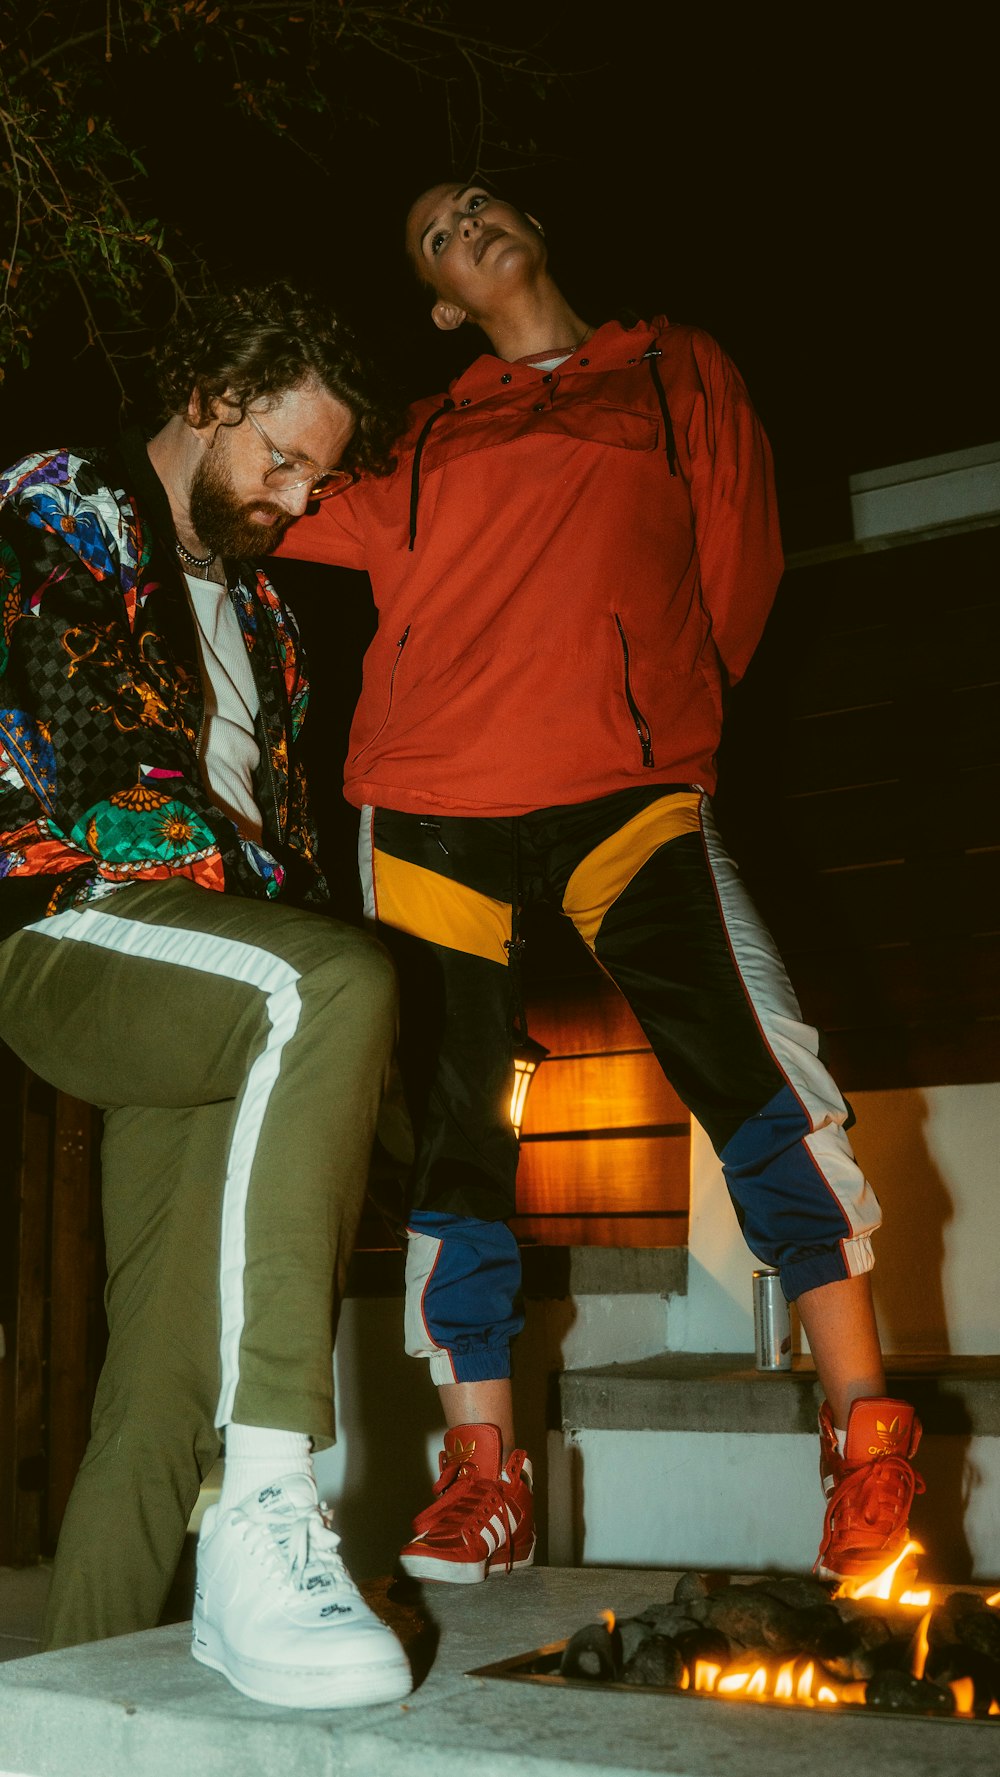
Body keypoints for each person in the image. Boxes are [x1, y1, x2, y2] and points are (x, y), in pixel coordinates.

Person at [277, 180, 924, 1588]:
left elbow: (732, 574)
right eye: (439, 233)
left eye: (480, 204)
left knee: (760, 1065)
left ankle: (867, 1436)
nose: (470, 224)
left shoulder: (675, 367)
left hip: (626, 787)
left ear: (535, 230)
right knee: (454, 1122)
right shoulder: (422, 438)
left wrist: (650, 716)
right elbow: (264, 495)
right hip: (432, 797)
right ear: (443, 303)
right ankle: (484, 1473)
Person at [0, 284, 414, 1709]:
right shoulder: (65, 510)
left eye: (318, 476)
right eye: (282, 460)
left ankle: (52, 1718)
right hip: (72, 924)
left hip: (218, 981)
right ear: (211, 398)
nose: (298, 499)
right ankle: (275, 1496)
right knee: (337, 980)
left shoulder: (271, 627)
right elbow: (99, 767)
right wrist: (289, 928)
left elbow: (283, 841)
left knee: (163, 1389)